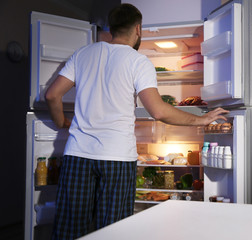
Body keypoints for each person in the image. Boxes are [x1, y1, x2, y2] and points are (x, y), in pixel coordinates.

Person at [45, 3, 229, 240]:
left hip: (78, 155)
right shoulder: (138, 61)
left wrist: (62, 123)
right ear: (138, 29)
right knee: (113, 231)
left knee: (69, 229)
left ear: (112, 28)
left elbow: (52, 95)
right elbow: (158, 111)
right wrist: (201, 121)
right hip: (117, 158)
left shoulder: (83, 53)